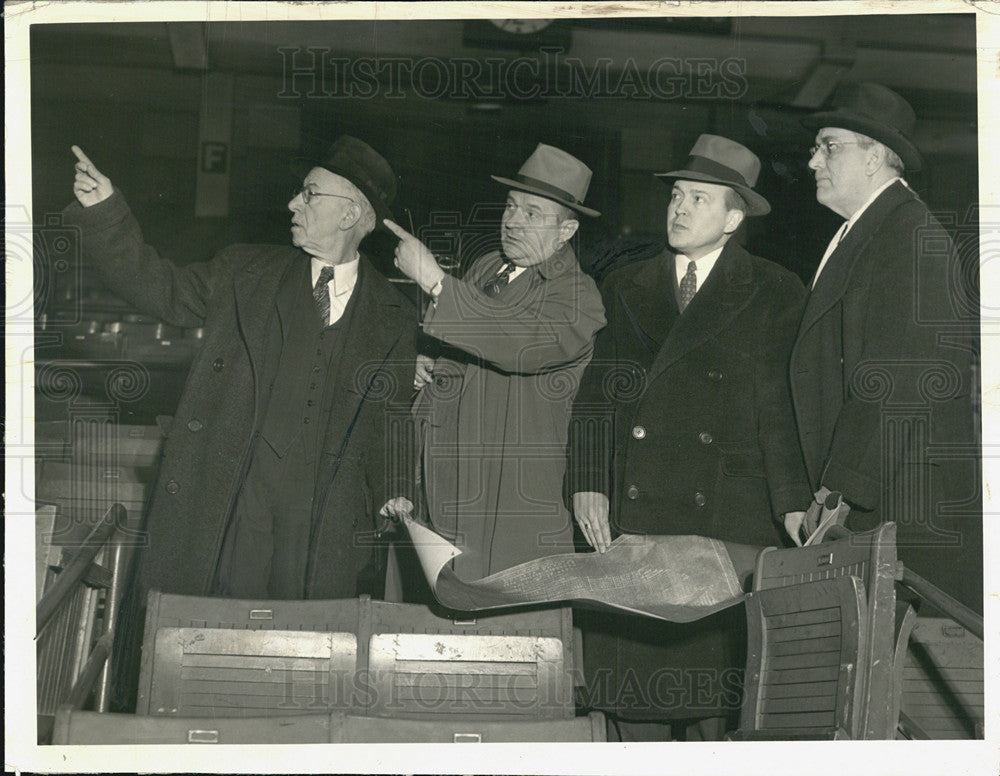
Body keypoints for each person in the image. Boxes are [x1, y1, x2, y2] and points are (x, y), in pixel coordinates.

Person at [64, 136, 417, 708]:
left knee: (303, 667)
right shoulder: (245, 272)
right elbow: (162, 288)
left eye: (309, 193)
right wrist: (106, 211)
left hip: (323, 521)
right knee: (208, 649)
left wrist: (397, 489)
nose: (292, 204)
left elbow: (392, 415)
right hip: (232, 499)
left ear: (350, 213)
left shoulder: (394, 314)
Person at [566, 135, 810, 739]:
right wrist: (589, 483)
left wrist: (792, 506)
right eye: (676, 194)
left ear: (733, 217)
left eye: (699, 198)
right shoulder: (625, 286)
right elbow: (598, 397)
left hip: (727, 521)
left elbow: (781, 411)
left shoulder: (777, 291)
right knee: (634, 706)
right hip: (636, 513)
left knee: (714, 705)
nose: (678, 208)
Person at [790, 83, 981, 612]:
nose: (812, 161)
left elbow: (896, 379)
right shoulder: (869, 230)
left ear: (874, 157)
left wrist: (835, 495)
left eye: (829, 146)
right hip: (877, 499)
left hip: (897, 507)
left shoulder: (908, 235)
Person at [383, 143, 606, 580]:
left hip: (508, 507)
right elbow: (460, 353)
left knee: (506, 633)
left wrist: (434, 281)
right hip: (440, 490)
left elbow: (519, 341)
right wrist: (425, 362)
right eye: (511, 206)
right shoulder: (487, 268)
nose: (512, 221)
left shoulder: (579, 297)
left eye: (532, 213)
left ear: (567, 231)